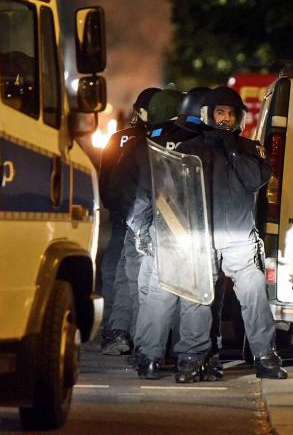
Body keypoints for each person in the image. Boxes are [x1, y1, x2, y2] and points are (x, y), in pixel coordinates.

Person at [177, 86, 288, 380]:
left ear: (239, 118)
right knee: (197, 299)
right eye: (219, 113)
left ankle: (265, 356)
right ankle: (193, 356)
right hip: (201, 239)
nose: (225, 119)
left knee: (254, 296)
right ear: (208, 115)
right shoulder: (190, 149)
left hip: (239, 240)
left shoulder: (251, 150)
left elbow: (255, 182)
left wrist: (233, 149)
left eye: (230, 114)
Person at [129, 87, 217, 381]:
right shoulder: (214, 143)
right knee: (196, 297)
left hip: (163, 228)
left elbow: (143, 190)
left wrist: (141, 229)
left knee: (159, 292)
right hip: (200, 232)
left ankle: (149, 358)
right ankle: (190, 359)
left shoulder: (157, 139)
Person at [104, 88, 183, 355]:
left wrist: (121, 213)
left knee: (127, 278)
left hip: (131, 219)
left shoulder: (129, 141)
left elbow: (112, 183)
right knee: (145, 282)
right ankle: (147, 341)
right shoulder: (185, 141)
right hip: (161, 224)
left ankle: (120, 334)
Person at [99, 87, 160, 355]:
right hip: (147, 219)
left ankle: (114, 333)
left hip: (124, 217)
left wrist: (117, 210)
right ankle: (133, 334)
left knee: (117, 275)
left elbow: (107, 182)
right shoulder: (162, 139)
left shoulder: (119, 139)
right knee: (134, 277)